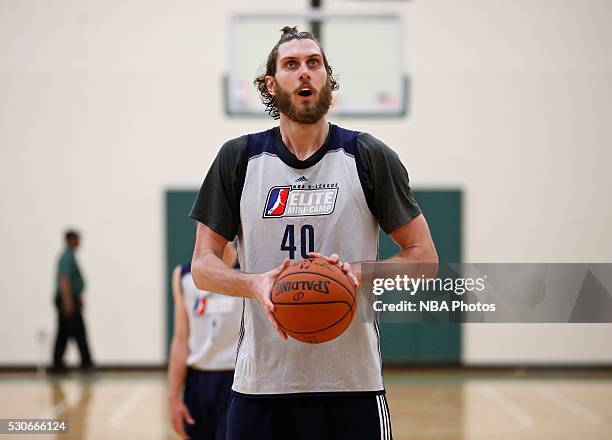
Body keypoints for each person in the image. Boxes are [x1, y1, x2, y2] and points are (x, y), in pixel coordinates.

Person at [190, 26, 438, 440]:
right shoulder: (239, 158)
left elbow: (424, 258)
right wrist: (257, 284)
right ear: (271, 84)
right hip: (261, 387)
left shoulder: (367, 156)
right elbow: (203, 266)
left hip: (352, 387)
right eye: (291, 64)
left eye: (314, 63)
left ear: (327, 77)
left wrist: (356, 272)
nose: (304, 72)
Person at [168, 243, 242, 440]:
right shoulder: (183, 275)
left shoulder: (248, 272)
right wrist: (173, 397)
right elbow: (181, 340)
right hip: (198, 383)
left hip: (237, 380)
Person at [50, 230, 94, 373]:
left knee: (63, 333)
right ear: (70, 239)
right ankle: (86, 364)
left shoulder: (70, 256)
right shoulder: (67, 257)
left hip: (69, 299)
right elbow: (64, 280)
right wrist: (68, 301)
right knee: (79, 331)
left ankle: (57, 364)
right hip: (67, 300)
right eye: (77, 239)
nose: (79, 242)